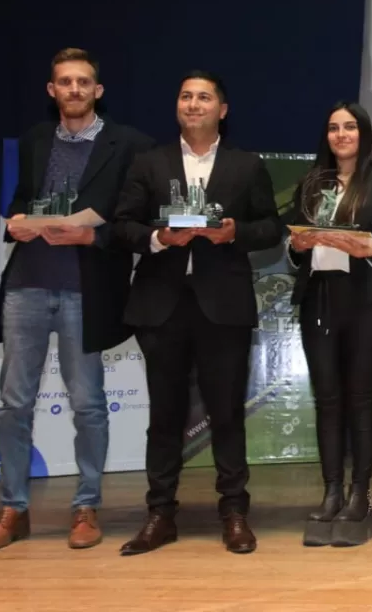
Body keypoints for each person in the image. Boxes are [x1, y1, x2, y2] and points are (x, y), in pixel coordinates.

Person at [0, 48, 153, 552]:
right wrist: (16, 220)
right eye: (64, 82)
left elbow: (131, 224)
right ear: (51, 91)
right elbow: (22, 201)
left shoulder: (131, 145)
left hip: (86, 289)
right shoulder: (34, 140)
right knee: (13, 404)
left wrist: (90, 239)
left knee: (89, 404)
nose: (74, 90)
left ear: (98, 91)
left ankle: (86, 505)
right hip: (25, 286)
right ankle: (13, 508)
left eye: (83, 83)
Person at [113, 71, 282, 555]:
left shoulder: (246, 165)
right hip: (161, 304)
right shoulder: (149, 162)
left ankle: (233, 512)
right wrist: (157, 238)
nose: (193, 104)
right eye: (185, 96)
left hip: (222, 305)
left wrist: (234, 234)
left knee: (226, 413)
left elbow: (270, 227)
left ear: (222, 110)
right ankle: (160, 514)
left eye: (203, 97)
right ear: (177, 107)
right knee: (164, 416)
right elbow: (122, 227)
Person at [287, 102, 372, 547]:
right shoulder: (310, 183)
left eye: (350, 127)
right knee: (328, 400)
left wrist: (366, 247)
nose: (342, 134)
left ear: (364, 134)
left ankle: (361, 494)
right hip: (319, 297)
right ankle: (332, 490)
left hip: (367, 301)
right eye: (334, 127)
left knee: (360, 398)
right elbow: (293, 247)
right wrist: (298, 244)